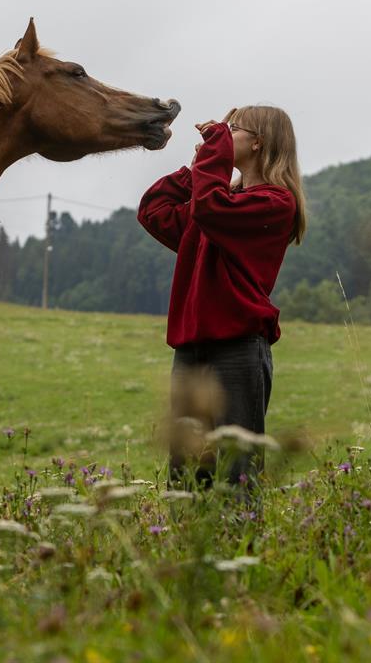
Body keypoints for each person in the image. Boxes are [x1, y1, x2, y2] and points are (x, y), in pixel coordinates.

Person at [137, 105, 307, 493]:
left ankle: (240, 549)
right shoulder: (216, 204)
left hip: (238, 351)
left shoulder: (275, 203)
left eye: (232, 129)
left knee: (236, 474)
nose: (222, 135)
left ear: (258, 142)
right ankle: (188, 551)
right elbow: (153, 210)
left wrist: (213, 152)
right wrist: (195, 170)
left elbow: (212, 208)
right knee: (186, 475)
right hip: (191, 352)